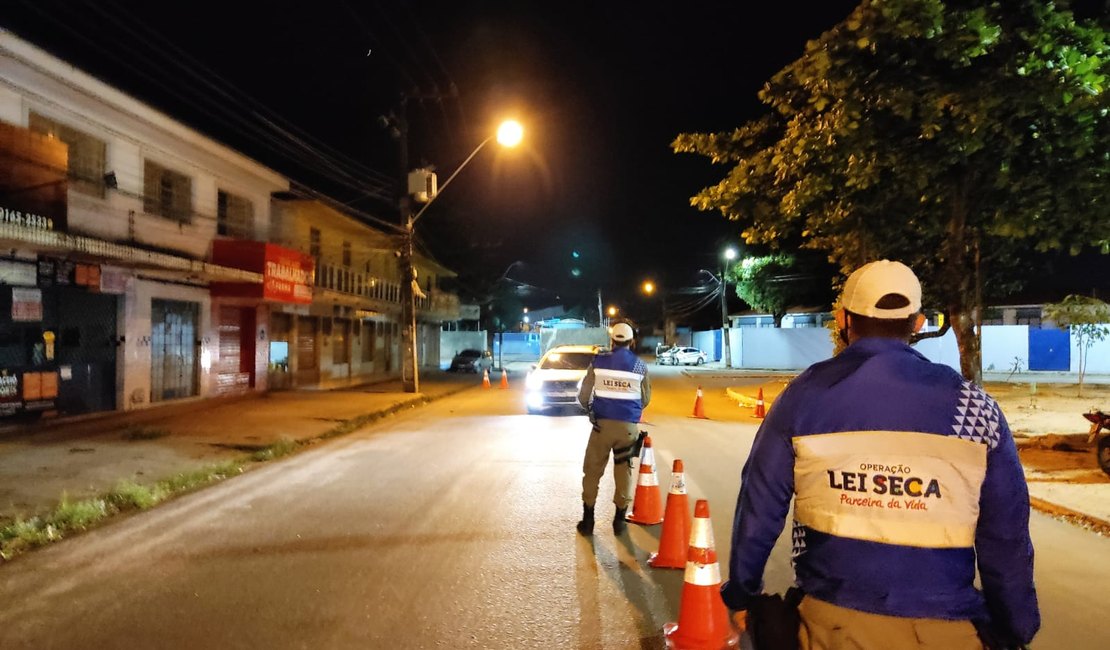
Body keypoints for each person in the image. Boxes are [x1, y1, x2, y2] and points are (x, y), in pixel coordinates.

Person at [721, 260, 1039, 649]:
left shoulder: (805, 397)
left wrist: (741, 592)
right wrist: (1014, 627)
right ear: (919, 322)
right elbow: (1006, 535)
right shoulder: (974, 407)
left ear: (843, 319)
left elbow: (759, 505)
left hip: (832, 625)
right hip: (948, 629)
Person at [576, 321, 651, 536]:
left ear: (612, 341)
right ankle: (619, 521)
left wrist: (590, 409)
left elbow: (584, 394)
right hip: (627, 429)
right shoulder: (640, 366)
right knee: (623, 472)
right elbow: (645, 398)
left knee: (592, 471)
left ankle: (588, 521)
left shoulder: (598, 361)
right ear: (631, 342)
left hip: (601, 427)